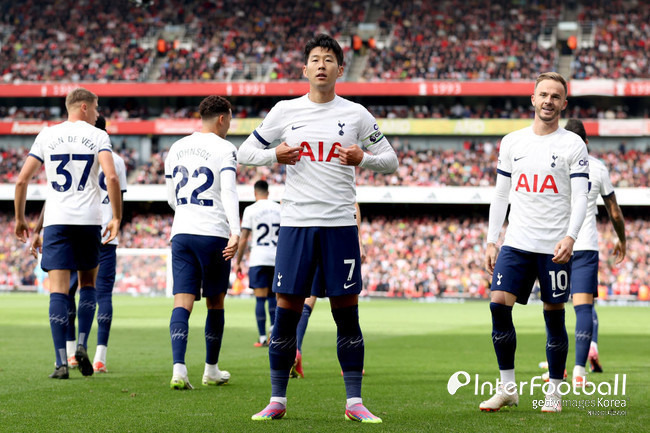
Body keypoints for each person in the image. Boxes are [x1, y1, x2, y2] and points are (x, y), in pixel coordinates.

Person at [238, 34, 398, 423]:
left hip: (340, 225)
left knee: (347, 314)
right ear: (305, 69)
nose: (322, 64)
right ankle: (277, 399)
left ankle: (354, 402)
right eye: (315, 59)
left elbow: (390, 159)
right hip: (295, 225)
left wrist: (363, 158)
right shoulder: (284, 111)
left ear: (340, 69)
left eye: (329, 59)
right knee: (286, 311)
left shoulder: (357, 114)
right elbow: (244, 153)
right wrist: (274, 154)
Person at [481, 72, 589, 413]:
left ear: (563, 104)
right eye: (543, 94)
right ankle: (508, 388)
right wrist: (491, 239)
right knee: (498, 304)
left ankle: (554, 393)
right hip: (517, 242)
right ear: (532, 98)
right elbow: (501, 194)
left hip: (553, 247)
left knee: (553, 315)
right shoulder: (512, 142)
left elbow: (581, 197)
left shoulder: (573, 145)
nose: (548, 101)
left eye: (556, 97)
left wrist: (571, 237)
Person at [14, 87, 122, 379]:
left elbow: (22, 180)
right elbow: (110, 176)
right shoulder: (99, 136)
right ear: (84, 107)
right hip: (88, 220)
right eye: (97, 107)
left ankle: (62, 362)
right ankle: (84, 344)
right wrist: (117, 217)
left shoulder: (47, 134)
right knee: (88, 284)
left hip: (57, 221)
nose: (98, 113)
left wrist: (20, 219)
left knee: (58, 291)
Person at [164, 95, 240, 390]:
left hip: (181, 231)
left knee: (181, 302)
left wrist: (186, 213)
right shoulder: (225, 148)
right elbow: (229, 191)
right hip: (214, 232)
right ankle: (210, 369)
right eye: (230, 119)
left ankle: (179, 370)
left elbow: (171, 197)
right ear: (222, 118)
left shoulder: (177, 147)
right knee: (215, 302)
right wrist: (235, 230)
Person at [563, 118, 626, 380]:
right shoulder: (598, 168)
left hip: (554, 244)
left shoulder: (554, 165)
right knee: (584, 308)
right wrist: (622, 239)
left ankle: (558, 368)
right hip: (585, 245)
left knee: (552, 306)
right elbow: (614, 211)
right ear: (586, 143)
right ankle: (579, 370)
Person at [290, 203, 365, 379]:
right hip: (338, 236)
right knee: (346, 301)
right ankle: (350, 363)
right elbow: (353, 203)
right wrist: (358, 240)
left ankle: (296, 350)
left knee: (308, 299)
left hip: (309, 233)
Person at [232, 180, 280, 348]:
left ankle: (261, 338)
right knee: (274, 297)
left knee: (260, 299)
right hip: (276, 258)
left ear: (255, 193)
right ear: (268, 192)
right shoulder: (279, 209)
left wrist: (238, 262)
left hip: (258, 258)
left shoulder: (250, 210)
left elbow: (244, 238)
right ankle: (274, 336)